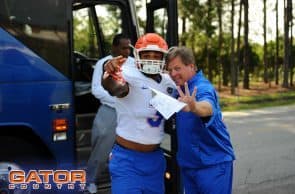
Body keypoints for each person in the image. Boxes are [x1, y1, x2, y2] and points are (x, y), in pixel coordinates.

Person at [102, 33, 175, 194]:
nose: (151, 59)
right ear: (137, 56)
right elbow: (115, 87)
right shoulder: (128, 74)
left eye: (156, 56)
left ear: (164, 57)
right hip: (127, 160)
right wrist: (108, 74)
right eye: (146, 55)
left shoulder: (169, 82)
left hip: (155, 159)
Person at [165, 47, 235, 194]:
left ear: (191, 66)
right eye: (170, 70)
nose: (173, 74)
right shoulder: (179, 87)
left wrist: (194, 106)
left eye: (177, 68)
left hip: (212, 164)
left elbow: (208, 107)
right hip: (189, 165)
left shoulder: (202, 87)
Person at [86, 33, 134, 194]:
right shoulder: (103, 64)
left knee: (127, 150)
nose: (127, 51)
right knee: (100, 149)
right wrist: (120, 99)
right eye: (123, 47)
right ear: (114, 47)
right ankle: (90, 181)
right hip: (109, 112)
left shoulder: (134, 64)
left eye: (129, 47)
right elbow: (96, 89)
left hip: (129, 114)